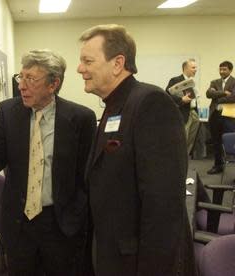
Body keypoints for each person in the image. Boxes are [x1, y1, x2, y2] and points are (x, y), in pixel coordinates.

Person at [0, 49, 96, 276]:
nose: (22, 85)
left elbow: (87, 178)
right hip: (19, 225)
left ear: (53, 84)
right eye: (20, 77)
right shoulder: (8, 112)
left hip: (61, 226)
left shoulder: (81, 119)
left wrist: (78, 220)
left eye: (31, 79)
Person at [77, 24, 196, 275]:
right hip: (115, 253)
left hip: (141, 262)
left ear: (118, 63)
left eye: (87, 61)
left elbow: (163, 205)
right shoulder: (114, 105)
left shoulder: (150, 103)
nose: (80, 69)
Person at [206, 61, 235, 174]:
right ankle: (218, 165)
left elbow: (233, 97)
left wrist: (217, 96)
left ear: (230, 70)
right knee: (216, 141)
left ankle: (233, 170)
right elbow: (208, 94)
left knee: (231, 142)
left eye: (224, 69)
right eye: (220, 69)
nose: (222, 71)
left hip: (229, 116)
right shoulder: (214, 82)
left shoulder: (234, 82)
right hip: (215, 115)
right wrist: (224, 93)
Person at [166, 59, 200, 155]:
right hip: (183, 113)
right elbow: (167, 95)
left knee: (190, 142)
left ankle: (186, 162)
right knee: (182, 140)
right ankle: (179, 164)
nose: (195, 69)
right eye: (193, 67)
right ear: (185, 68)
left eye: (196, 67)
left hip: (194, 113)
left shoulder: (192, 81)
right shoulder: (175, 80)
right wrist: (181, 100)